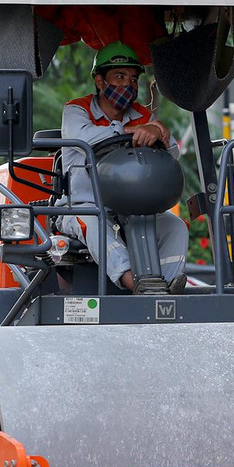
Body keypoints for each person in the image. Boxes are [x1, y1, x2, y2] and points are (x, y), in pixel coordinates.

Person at [59, 41, 188, 294]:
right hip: (83, 206)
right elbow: (81, 136)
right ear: (99, 82)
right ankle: (136, 284)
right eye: (119, 76)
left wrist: (158, 132)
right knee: (95, 223)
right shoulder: (77, 109)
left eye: (133, 78)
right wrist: (128, 131)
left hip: (131, 208)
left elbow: (172, 151)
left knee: (175, 226)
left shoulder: (142, 115)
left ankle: (167, 289)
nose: (128, 84)